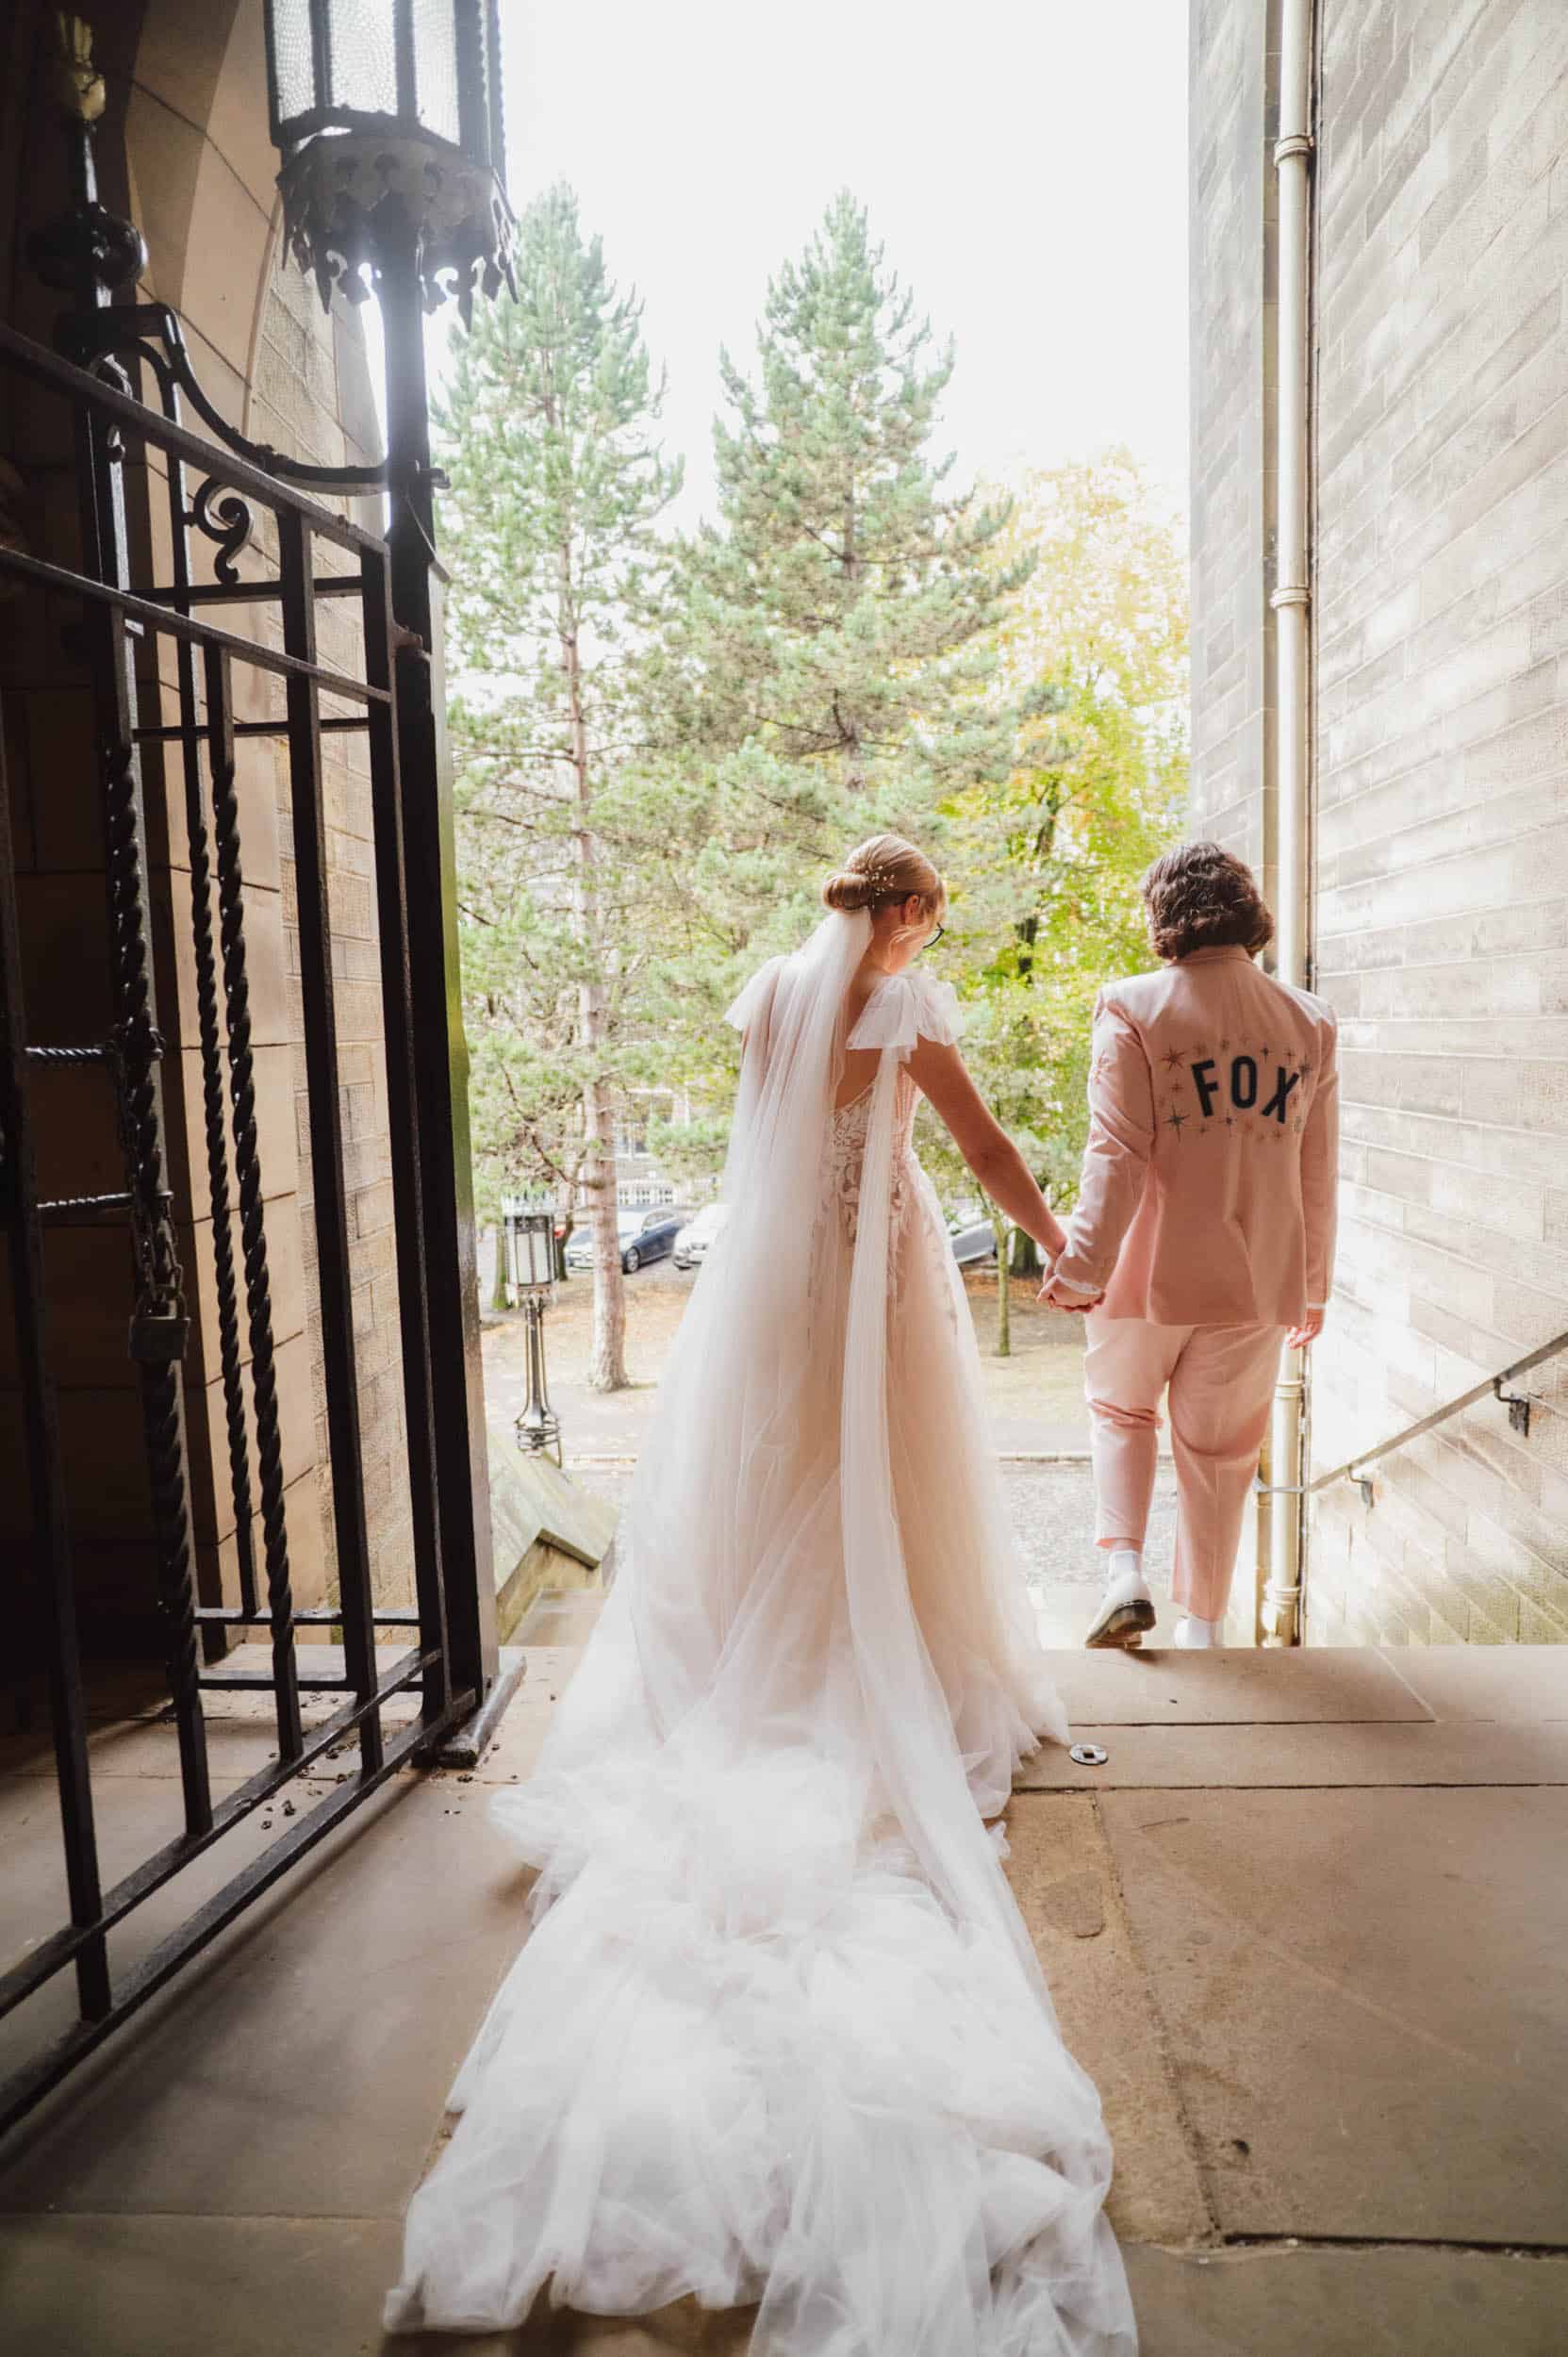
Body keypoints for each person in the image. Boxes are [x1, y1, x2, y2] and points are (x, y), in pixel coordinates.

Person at [384, 834, 1137, 2356]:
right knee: (890, 1470)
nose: (924, 941)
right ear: (904, 913)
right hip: (876, 1276)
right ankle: (884, 1644)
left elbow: (764, 1146)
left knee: (784, 1468)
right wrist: (1062, 1245)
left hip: (779, 1284)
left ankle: (765, 1647)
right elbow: (981, 1148)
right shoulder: (899, 1007)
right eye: (927, 918)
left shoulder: (767, 997)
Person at [1040, 841, 1339, 1652]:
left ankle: (1124, 1574)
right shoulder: (1308, 1020)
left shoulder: (1132, 1006)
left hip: (1144, 1270)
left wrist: (1081, 1268)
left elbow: (1115, 1153)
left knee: (1121, 1410)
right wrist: (1311, 1286)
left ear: (1164, 914)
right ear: (1246, 911)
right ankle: (1203, 1628)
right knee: (1221, 1453)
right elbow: (1316, 1167)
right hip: (1255, 1278)